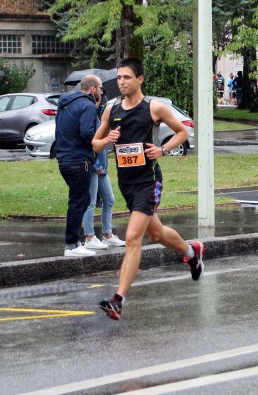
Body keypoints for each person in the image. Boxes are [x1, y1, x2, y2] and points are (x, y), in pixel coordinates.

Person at [93, 57, 205, 321]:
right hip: (126, 183)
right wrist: (107, 140)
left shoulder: (154, 108)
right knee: (156, 234)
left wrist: (162, 150)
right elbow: (95, 144)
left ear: (140, 79)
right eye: (119, 78)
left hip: (149, 181)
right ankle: (192, 252)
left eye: (127, 77)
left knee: (133, 238)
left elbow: (183, 133)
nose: (121, 82)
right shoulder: (111, 110)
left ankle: (118, 300)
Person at [55, 74, 104, 257]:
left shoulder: (65, 103)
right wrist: (98, 144)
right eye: (100, 89)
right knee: (79, 201)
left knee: (78, 199)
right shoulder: (88, 105)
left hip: (64, 159)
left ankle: (75, 241)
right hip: (79, 160)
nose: (101, 92)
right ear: (92, 88)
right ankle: (72, 244)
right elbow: (86, 133)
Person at [81, 94, 126, 250]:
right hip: (94, 165)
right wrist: (96, 163)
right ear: (93, 90)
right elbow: (91, 140)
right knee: (91, 201)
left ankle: (107, 234)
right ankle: (89, 236)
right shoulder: (89, 113)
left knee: (109, 199)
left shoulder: (99, 112)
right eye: (100, 90)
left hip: (102, 166)